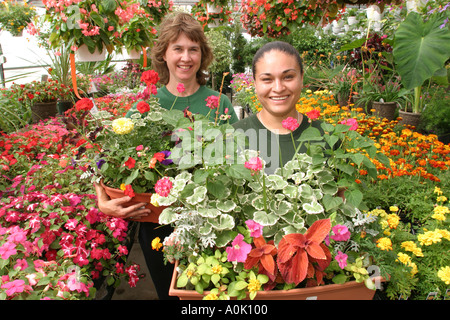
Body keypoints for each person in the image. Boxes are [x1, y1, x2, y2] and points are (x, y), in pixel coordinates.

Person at [94, 12, 238, 300]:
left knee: (210, 293)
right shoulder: (147, 104)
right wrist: (102, 198)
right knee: (168, 293)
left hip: (208, 220)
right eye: (178, 48)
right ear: (163, 54)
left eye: (193, 49)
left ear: (202, 55)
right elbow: (109, 159)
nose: (186, 57)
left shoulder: (220, 102)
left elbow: (237, 157)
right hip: (157, 220)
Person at [232, 41, 324, 174]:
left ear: (301, 78)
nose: (278, 88)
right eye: (267, 79)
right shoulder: (232, 136)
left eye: (288, 77)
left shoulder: (326, 136)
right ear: (255, 83)